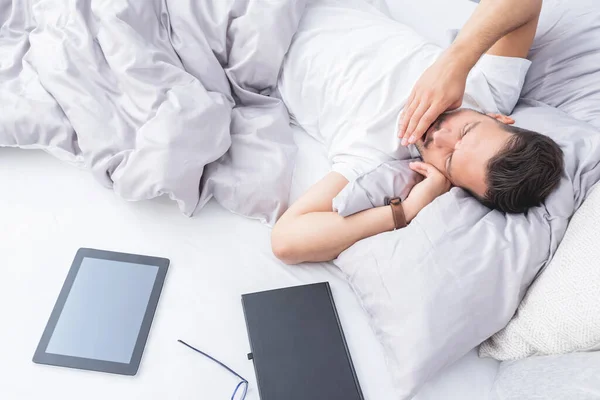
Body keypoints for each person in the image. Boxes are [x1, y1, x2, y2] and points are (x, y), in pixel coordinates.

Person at [272, 0, 564, 265]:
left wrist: (406, 211)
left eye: (449, 160)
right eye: (465, 131)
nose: (439, 137)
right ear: (498, 117)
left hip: (268, 33)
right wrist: (456, 63)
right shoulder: (488, 90)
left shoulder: (378, 158)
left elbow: (286, 241)